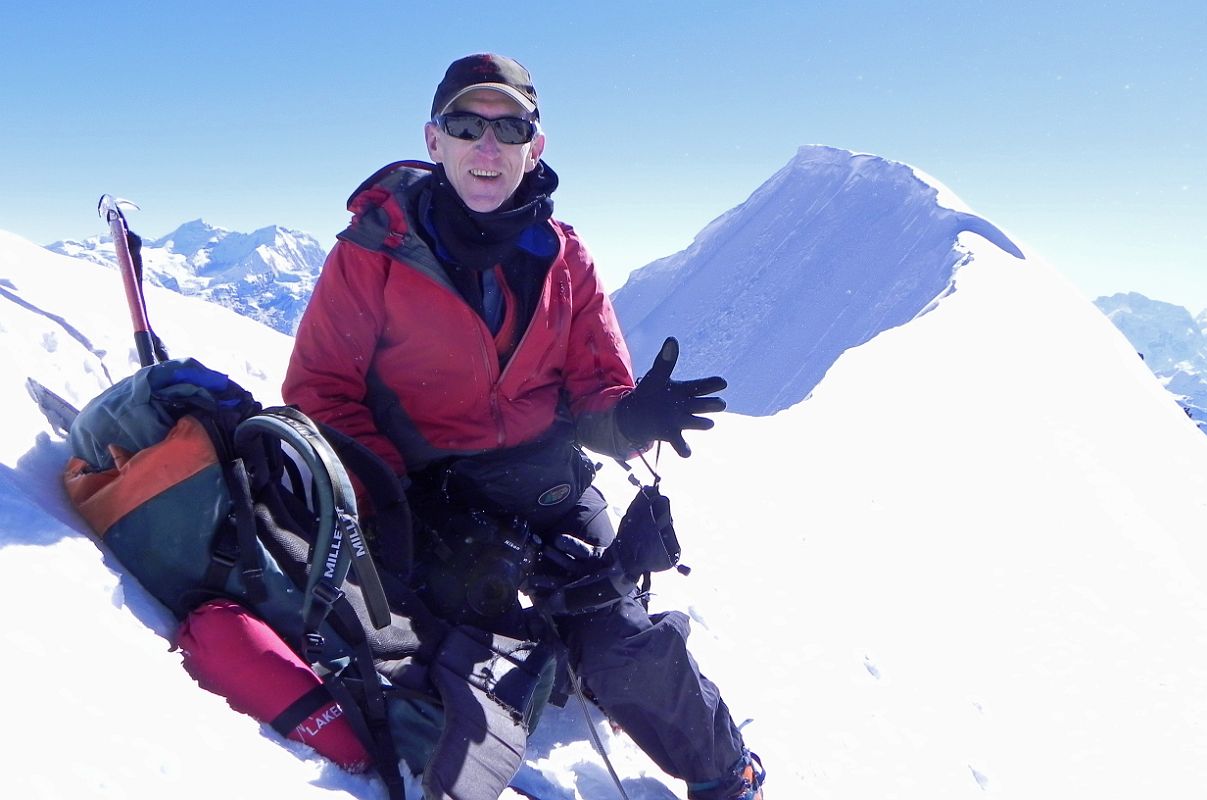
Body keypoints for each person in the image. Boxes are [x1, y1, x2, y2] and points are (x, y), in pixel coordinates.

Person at [282, 53, 764, 800]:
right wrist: (406, 505)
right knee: (469, 643)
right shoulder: (372, 253)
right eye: (466, 124)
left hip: (546, 488)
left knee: (615, 635)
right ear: (433, 139)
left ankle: (727, 773)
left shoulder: (564, 258)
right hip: (423, 496)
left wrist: (628, 415)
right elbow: (323, 390)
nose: (487, 145)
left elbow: (595, 394)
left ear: (534, 146)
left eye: (508, 127)